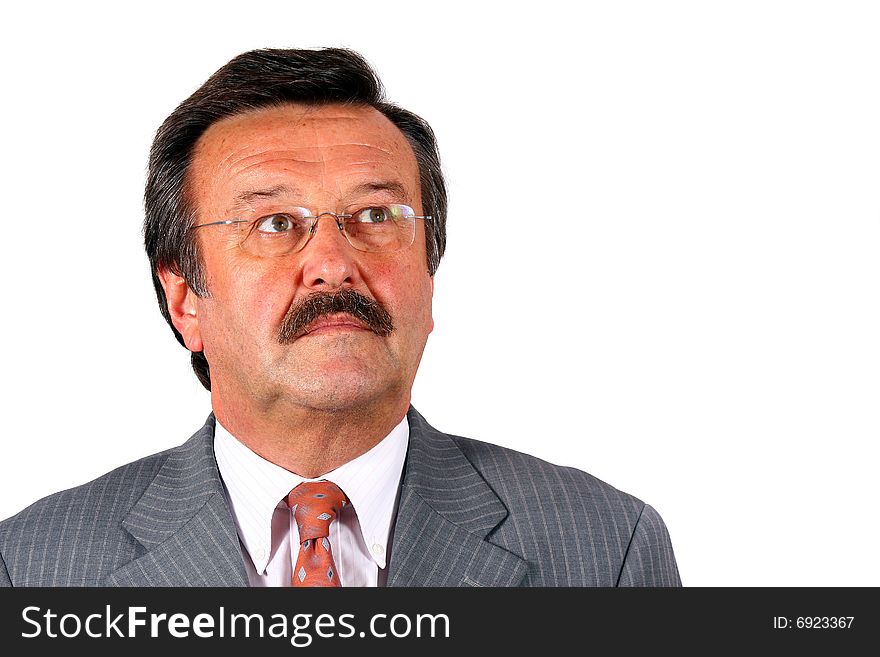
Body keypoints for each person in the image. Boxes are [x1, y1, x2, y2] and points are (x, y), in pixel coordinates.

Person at [0, 48, 680, 587]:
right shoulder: (31, 567)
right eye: (274, 222)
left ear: (429, 276)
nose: (332, 262)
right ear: (185, 300)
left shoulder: (605, 548)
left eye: (376, 217)